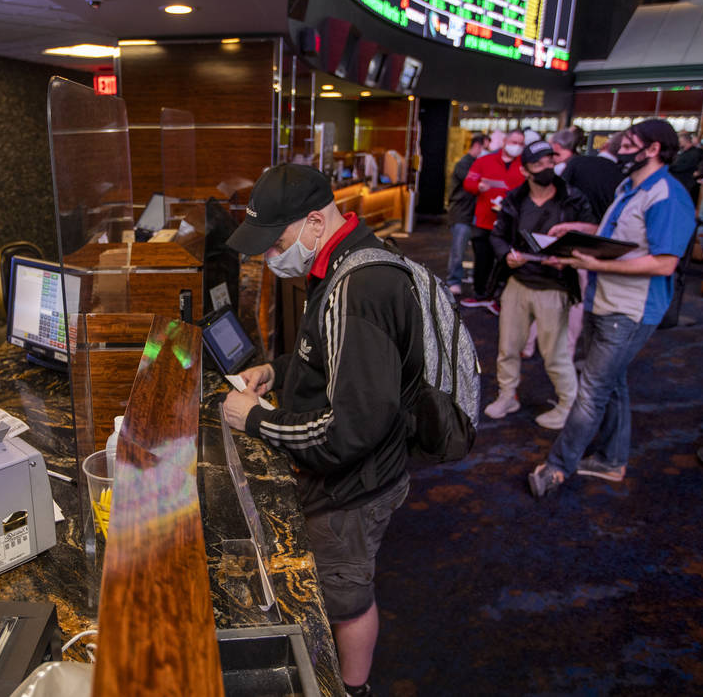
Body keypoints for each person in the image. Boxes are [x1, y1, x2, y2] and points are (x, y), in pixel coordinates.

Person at [221, 163, 424, 697]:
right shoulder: (340, 260)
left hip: (355, 487)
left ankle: (353, 690)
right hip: (354, 475)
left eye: (276, 241)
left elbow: (347, 430)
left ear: (314, 222)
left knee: (346, 596)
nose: (269, 257)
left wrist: (256, 418)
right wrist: (276, 371)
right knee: (337, 587)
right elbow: (328, 359)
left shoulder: (360, 287)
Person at [527, 119, 696, 498]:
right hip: (604, 301)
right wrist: (581, 230)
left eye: (628, 144)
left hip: (630, 312)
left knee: (592, 389)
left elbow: (664, 263)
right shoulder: (628, 187)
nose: (619, 149)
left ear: (653, 150)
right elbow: (619, 238)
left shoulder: (668, 196)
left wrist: (594, 265)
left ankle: (557, 468)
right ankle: (611, 460)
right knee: (612, 385)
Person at [483, 140, 595, 429]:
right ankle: (508, 394)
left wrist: (570, 247)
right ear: (525, 170)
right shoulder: (515, 199)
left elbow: (594, 231)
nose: (547, 168)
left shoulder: (572, 197)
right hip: (519, 283)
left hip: (555, 285)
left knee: (555, 352)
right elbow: (497, 236)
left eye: (550, 161)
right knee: (508, 347)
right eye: (539, 164)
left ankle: (567, 404)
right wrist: (506, 256)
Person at [461, 128, 526, 312]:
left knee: (506, 260)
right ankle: (481, 294)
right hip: (484, 219)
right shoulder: (485, 161)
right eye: (514, 142)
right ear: (505, 141)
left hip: (511, 223)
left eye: (521, 143)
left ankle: (499, 296)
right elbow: (468, 183)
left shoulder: (523, 165)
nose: (517, 147)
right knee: (482, 259)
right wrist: (478, 186)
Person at [553, 129, 624, 221]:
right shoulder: (623, 175)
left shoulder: (576, 163)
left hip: (569, 224)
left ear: (605, 146)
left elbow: (559, 193)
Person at [445, 134, 486, 295]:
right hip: (462, 213)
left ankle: (466, 277)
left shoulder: (478, 163)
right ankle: (453, 280)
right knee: (458, 249)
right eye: (486, 147)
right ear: (477, 145)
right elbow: (473, 183)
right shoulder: (464, 164)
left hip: (476, 214)